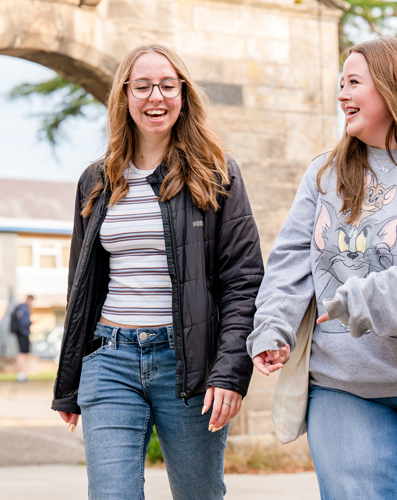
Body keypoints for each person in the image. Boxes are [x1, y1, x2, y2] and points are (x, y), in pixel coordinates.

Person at [247, 37, 397, 499]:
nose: (342, 94)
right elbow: (290, 262)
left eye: (354, 82)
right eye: (340, 83)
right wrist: (272, 327)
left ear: (394, 87)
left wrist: (360, 298)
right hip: (345, 384)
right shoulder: (324, 173)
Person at [51, 44, 264, 500]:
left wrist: (229, 372)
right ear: (124, 96)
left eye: (168, 86)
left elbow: (244, 281)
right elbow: (82, 286)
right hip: (109, 358)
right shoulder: (97, 179)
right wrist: (68, 385)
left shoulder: (217, 174)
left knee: (198, 494)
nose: (156, 97)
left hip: (187, 365)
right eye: (143, 86)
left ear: (183, 95)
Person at [11, 295, 34, 382]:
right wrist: (30, 324)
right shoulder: (24, 308)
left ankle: (22, 375)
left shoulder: (21, 308)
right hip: (23, 333)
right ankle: (21, 375)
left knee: (23, 353)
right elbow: (24, 322)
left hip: (21, 333)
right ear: (30, 300)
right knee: (22, 354)